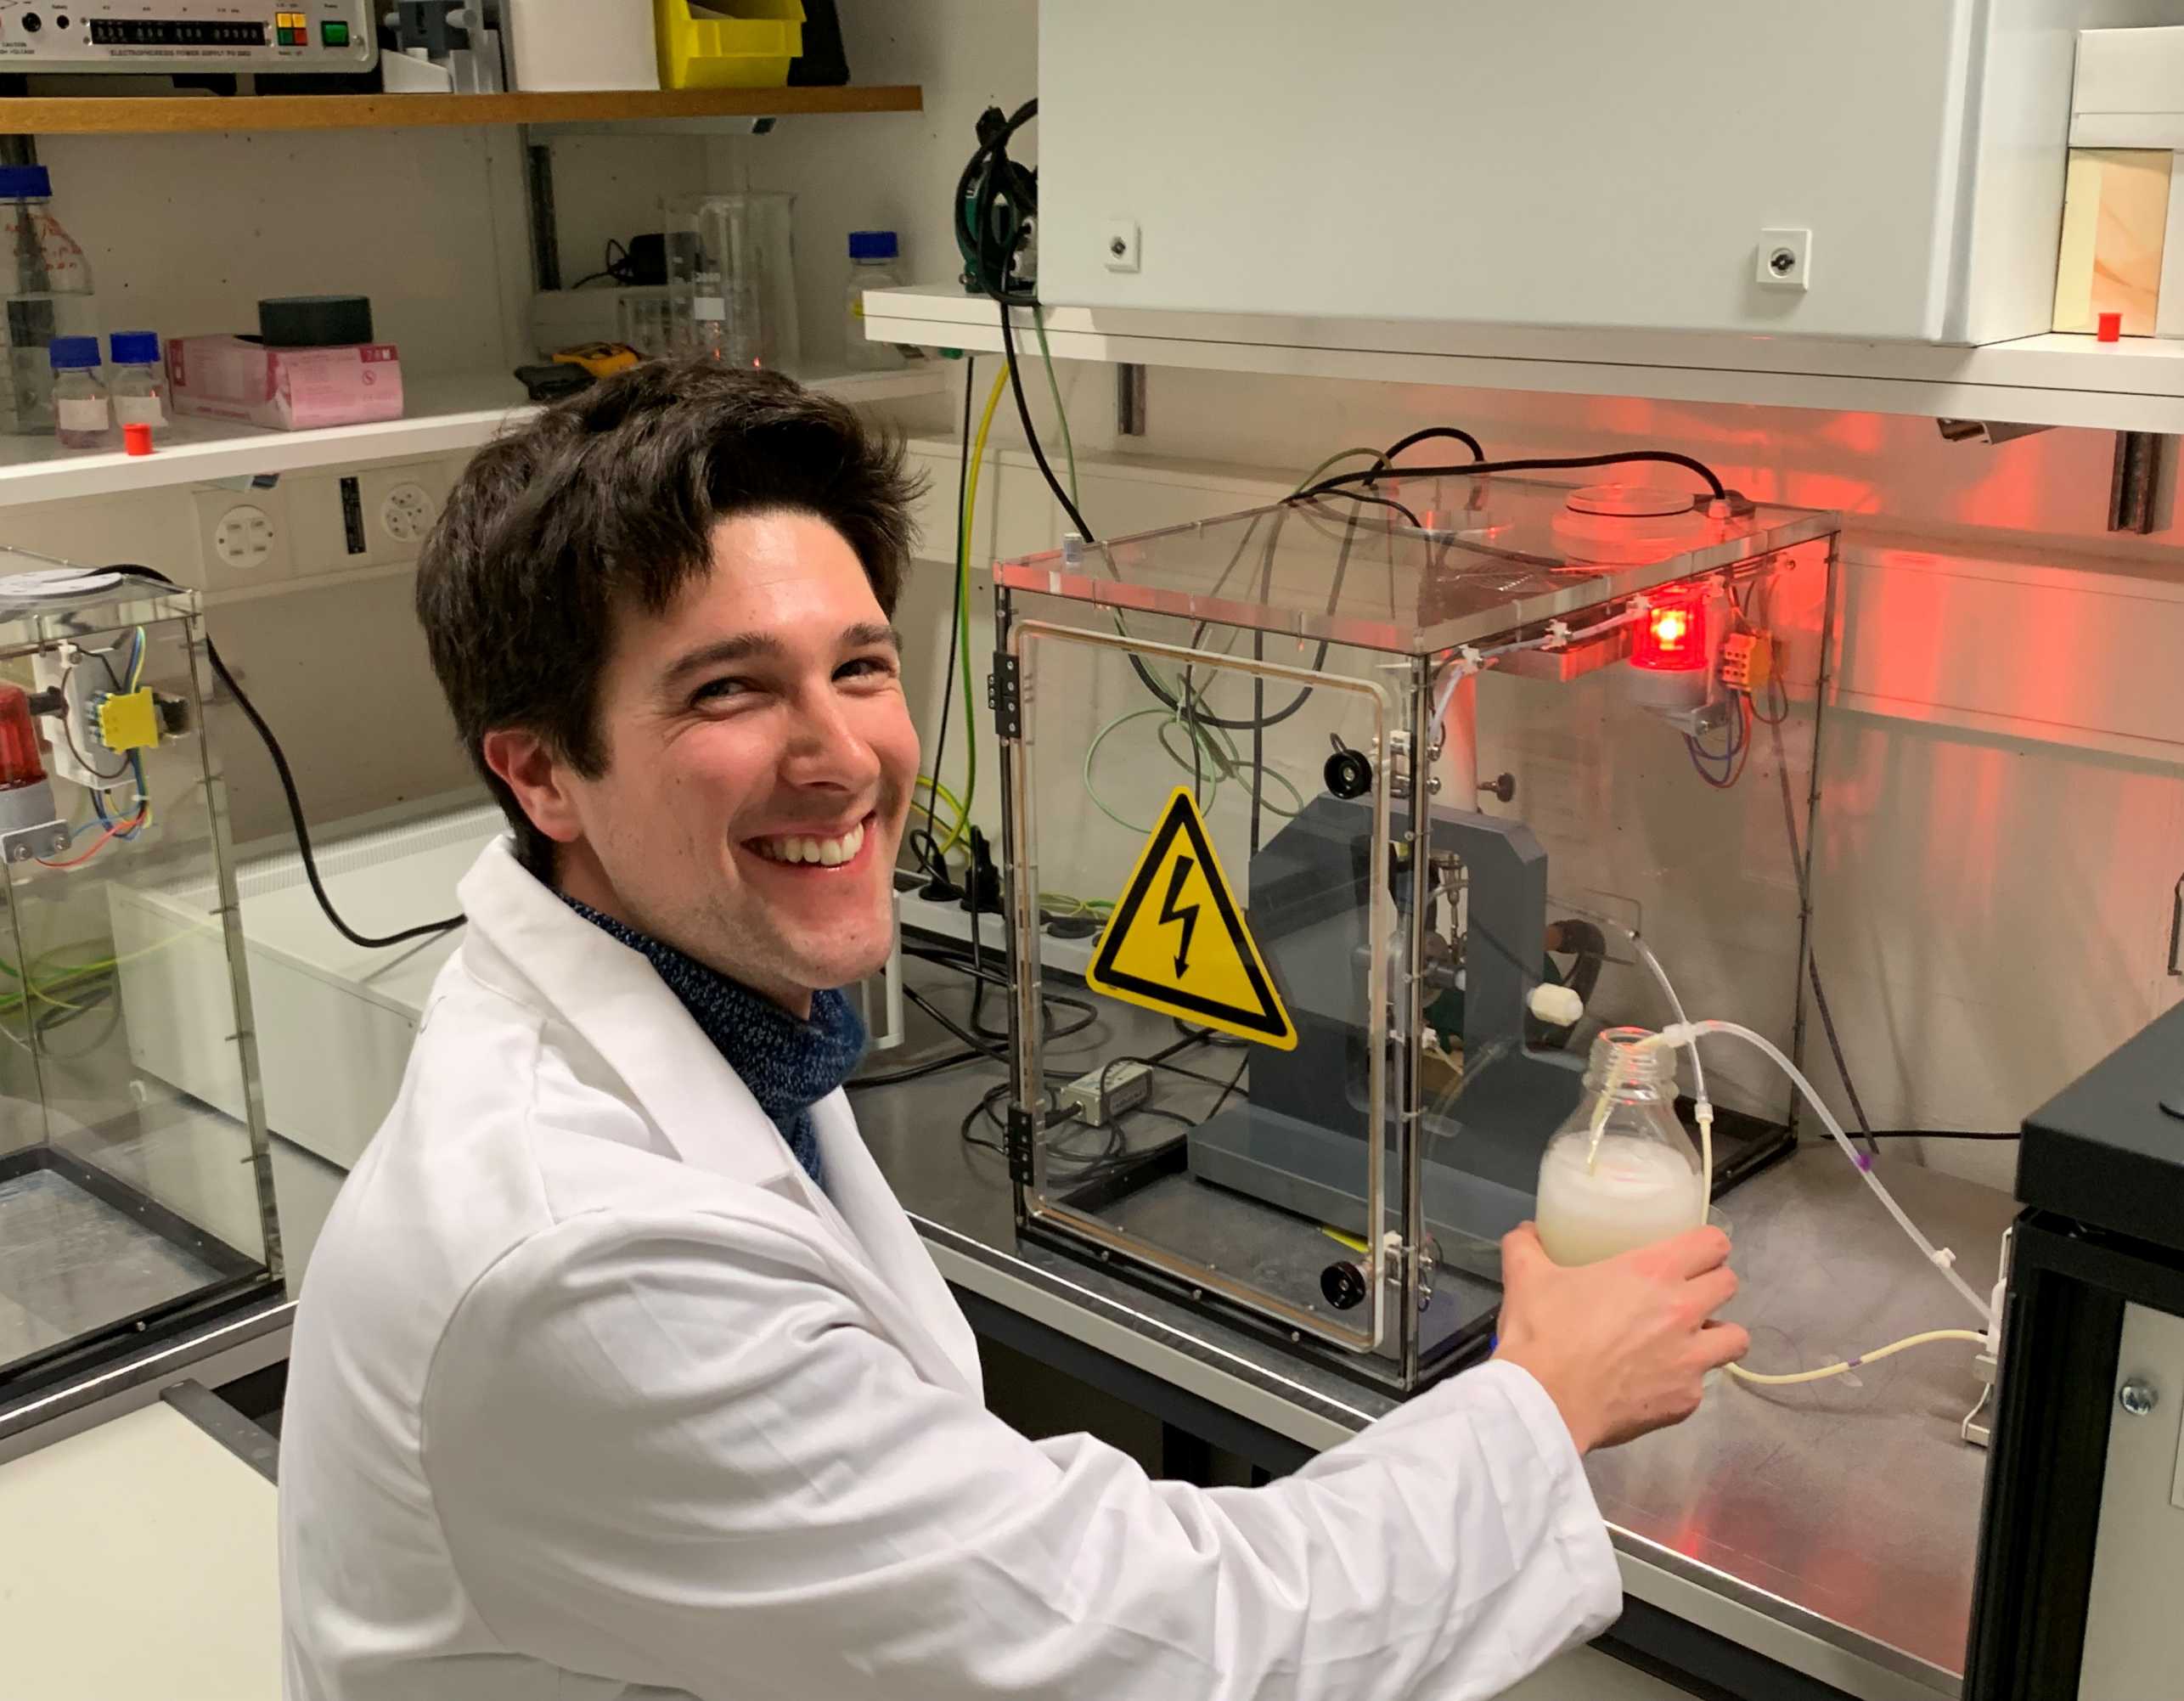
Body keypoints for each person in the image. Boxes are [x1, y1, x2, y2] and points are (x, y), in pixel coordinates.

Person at [279, 360, 1749, 1701]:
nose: (843, 754)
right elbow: (1149, 1651)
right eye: (728, 690)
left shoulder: (716, 1021)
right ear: (543, 776)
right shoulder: (589, 1264)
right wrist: (1539, 1405)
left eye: (860, 666)